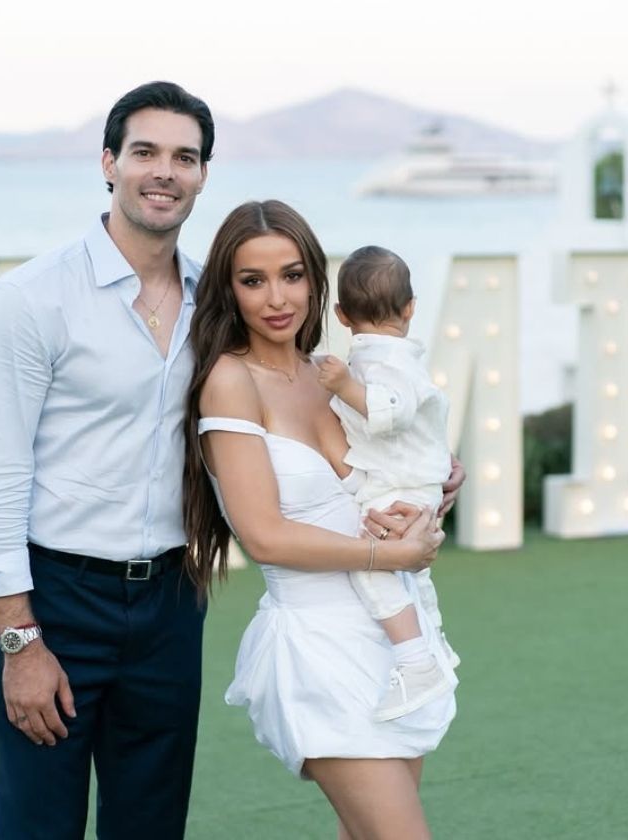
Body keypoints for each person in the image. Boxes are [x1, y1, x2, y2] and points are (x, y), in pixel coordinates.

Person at [0, 81, 214, 839]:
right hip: (58, 604)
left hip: (173, 603)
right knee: (39, 827)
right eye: (145, 152)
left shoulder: (217, 303)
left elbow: (282, 415)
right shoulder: (29, 301)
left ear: (203, 175)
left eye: (185, 157)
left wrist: (412, 462)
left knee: (152, 828)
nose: (164, 171)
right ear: (109, 163)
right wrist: (19, 639)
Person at [183, 200, 459, 840]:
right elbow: (263, 535)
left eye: (292, 275)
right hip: (320, 646)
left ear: (316, 280)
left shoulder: (330, 376)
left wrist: (437, 482)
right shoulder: (229, 381)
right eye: (253, 280)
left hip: (393, 635)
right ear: (229, 289)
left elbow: (378, 479)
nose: (277, 298)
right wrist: (387, 556)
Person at [316, 245, 458, 723]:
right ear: (411, 307)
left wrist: (345, 387)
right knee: (414, 573)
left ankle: (416, 660)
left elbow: (391, 412)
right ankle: (434, 641)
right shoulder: (390, 354)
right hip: (406, 479)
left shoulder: (384, 360)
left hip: (400, 484)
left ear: (341, 315)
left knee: (371, 567)